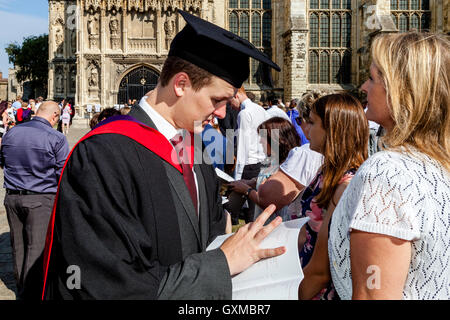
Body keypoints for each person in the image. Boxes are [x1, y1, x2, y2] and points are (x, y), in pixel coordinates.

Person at [42, 10, 284, 300]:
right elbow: (106, 283)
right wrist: (221, 264)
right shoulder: (102, 155)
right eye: (216, 100)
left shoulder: (195, 150)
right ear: (181, 84)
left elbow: (211, 228)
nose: (222, 113)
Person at [328, 32, 450, 300]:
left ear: (400, 91)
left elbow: (373, 295)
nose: (363, 87)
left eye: (372, 78)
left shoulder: (387, 172)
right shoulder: (439, 164)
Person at [296, 93, 369, 300]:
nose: (306, 129)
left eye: (312, 122)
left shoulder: (346, 186)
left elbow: (322, 270)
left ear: (333, 130)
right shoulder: (328, 171)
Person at [0, 101, 69, 300]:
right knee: (36, 250)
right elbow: (62, 172)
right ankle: (31, 294)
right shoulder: (56, 137)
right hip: (41, 199)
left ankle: (23, 288)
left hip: (12, 197)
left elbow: (3, 160)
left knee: (18, 247)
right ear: (55, 116)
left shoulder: (11, 133)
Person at [227, 117, 300, 224]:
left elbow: (269, 202)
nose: (260, 141)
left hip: (277, 226)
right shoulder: (271, 159)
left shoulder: (289, 165)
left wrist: (246, 190)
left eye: (263, 137)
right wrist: (251, 182)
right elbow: (266, 177)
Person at [229, 86, 270, 223]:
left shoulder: (244, 113)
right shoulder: (261, 109)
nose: (231, 106)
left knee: (245, 211)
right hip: (262, 162)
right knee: (255, 209)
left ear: (236, 96)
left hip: (248, 165)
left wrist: (237, 177)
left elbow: (242, 147)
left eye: (230, 102)